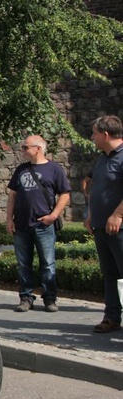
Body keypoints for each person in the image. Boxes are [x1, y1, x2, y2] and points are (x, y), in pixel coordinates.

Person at [6, 135, 71, 313]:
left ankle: (50, 299)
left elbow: (65, 194)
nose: (22, 150)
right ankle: (26, 297)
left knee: (48, 263)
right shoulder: (21, 169)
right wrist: (9, 219)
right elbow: (13, 195)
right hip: (21, 225)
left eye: (25, 147)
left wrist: (53, 215)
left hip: (44, 225)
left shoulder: (54, 169)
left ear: (38, 148)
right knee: (23, 264)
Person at [85, 115, 123, 333]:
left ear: (106, 134)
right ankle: (111, 317)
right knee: (109, 274)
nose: (92, 137)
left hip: (119, 228)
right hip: (101, 227)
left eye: (95, 133)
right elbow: (97, 188)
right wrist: (91, 214)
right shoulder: (102, 158)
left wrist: (118, 215)